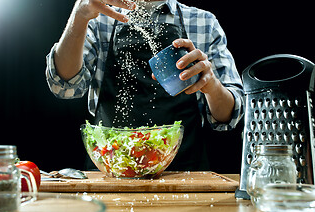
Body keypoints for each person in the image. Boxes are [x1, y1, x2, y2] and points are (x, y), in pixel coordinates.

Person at [45, 0, 244, 170]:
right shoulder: (98, 18)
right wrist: (79, 15)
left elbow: (229, 116)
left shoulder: (203, 22)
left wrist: (211, 85)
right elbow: (64, 87)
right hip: (112, 169)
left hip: (183, 173)